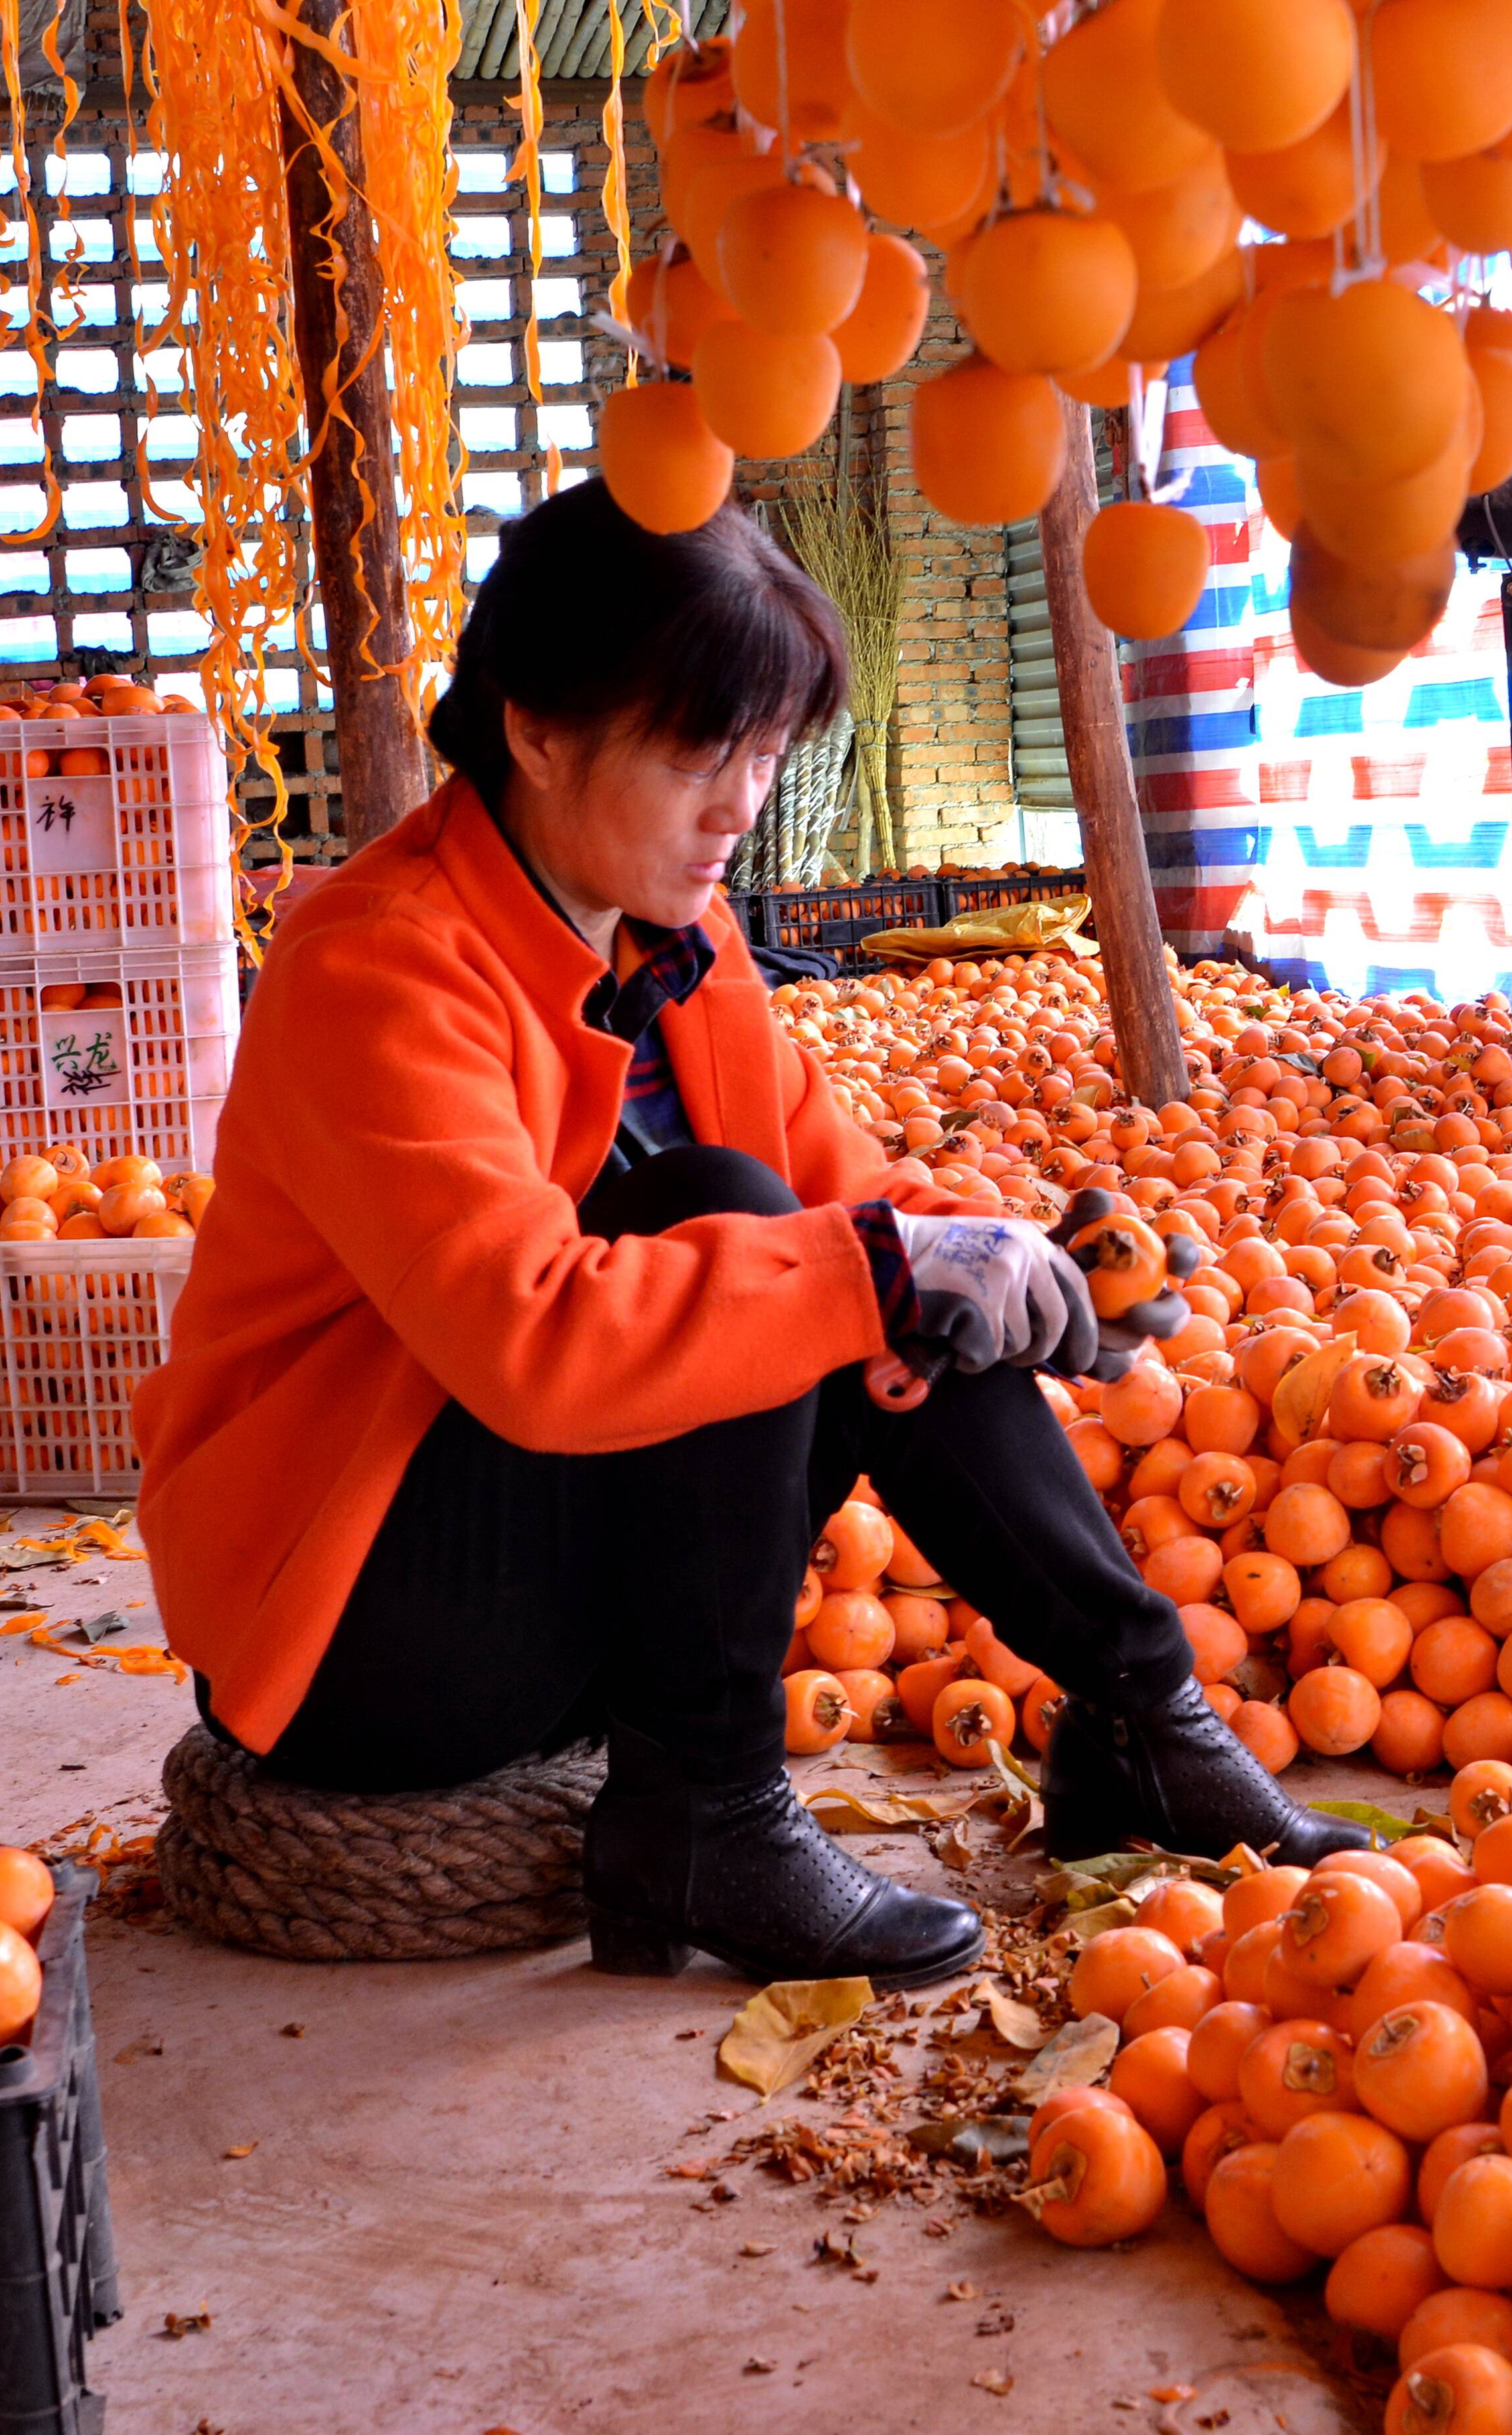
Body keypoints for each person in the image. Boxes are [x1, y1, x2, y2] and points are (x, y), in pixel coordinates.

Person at [133, 478, 1349, 1992]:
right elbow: (536, 1344)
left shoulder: (680, 941)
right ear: (535, 727)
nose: (740, 804)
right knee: (743, 1221)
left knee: (874, 1265)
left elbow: (858, 1222)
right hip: (357, 1631)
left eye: (766, 754)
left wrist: (1014, 1271)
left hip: (563, 1584)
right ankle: (706, 1819)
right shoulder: (377, 971)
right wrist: (882, 1265)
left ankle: (1139, 1720)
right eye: (697, 750)